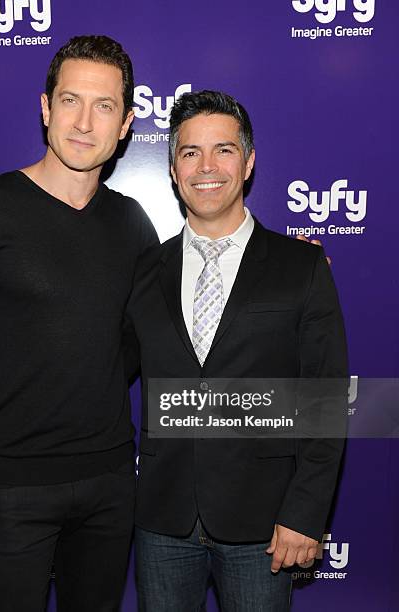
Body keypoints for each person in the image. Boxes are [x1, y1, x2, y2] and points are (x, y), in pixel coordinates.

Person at [0, 35, 157, 612]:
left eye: (104, 106)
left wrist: (287, 263)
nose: (84, 122)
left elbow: (160, 328)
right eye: (70, 100)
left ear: (125, 124)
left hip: (108, 487)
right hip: (11, 490)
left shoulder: (133, 225)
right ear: (45, 107)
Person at [125, 91, 348, 611]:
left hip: (266, 525)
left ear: (247, 163)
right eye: (190, 153)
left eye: (223, 150)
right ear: (173, 169)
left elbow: (325, 398)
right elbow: (99, 362)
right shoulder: (144, 272)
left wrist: (305, 513)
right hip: (162, 519)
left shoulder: (302, 267)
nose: (207, 167)